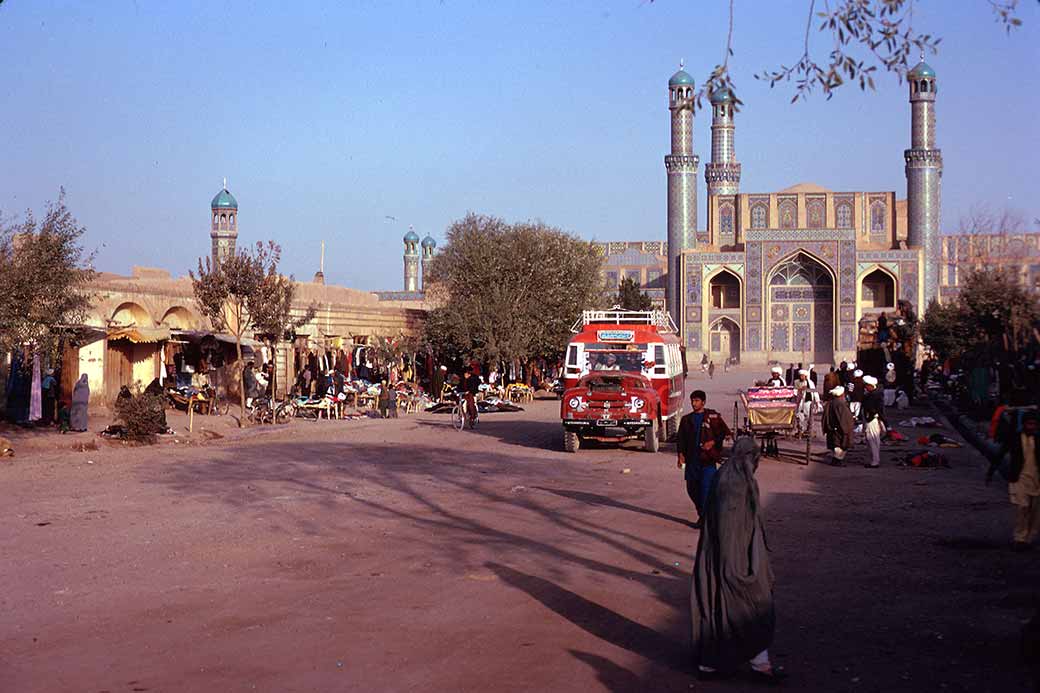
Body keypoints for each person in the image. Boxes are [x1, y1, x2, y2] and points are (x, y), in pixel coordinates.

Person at [690, 436, 783, 682]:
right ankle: (759, 666)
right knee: (752, 604)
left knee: (717, 605)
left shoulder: (728, 476)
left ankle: (711, 664)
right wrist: (737, 569)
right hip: (733, 559)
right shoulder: (736, 483)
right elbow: (728, 530)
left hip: (721, 556)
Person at [676, 390, 731, 528]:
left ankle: (705, 519)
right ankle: (703, 514)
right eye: (692, 401)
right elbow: (681, 439)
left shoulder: (712, 417)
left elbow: (724, 432)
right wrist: (680, 455)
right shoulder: (686, 420)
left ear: (703, 402)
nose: (694, 404)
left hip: (708, 460)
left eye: (697, 401)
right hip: (692, 461)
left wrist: (712, 442)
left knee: (706, 490)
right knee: (692, 489)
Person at [988, 411, 1040, 550]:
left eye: (1034, 424)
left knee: (1034, 511)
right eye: (1029, 424)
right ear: (1024, 424)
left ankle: (1029, 537)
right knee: (1022, 507)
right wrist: (991, 472)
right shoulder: (1015, 437)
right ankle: (1020, 538)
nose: (1031, 427)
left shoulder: (1038, 438)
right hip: (1019, 477)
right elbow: (1001, 453)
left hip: (1036, 478)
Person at [822, 385, 854, 466]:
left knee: (836, 444)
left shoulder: (832, 402)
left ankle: (836, 460)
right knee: (840, 445)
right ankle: (837, 460)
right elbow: (844, 418)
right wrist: (846, 429)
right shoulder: (840, 404)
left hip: (833, 428)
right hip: (839, 428)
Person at [861, 375, 887, 468]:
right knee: (871, 440)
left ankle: (875, 461)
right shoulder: (871, 394)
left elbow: (880, 410)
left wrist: (885, 422)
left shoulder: (875, 395)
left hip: (872, 420)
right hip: (870, 419)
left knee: (873, 440)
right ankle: (873, 459)